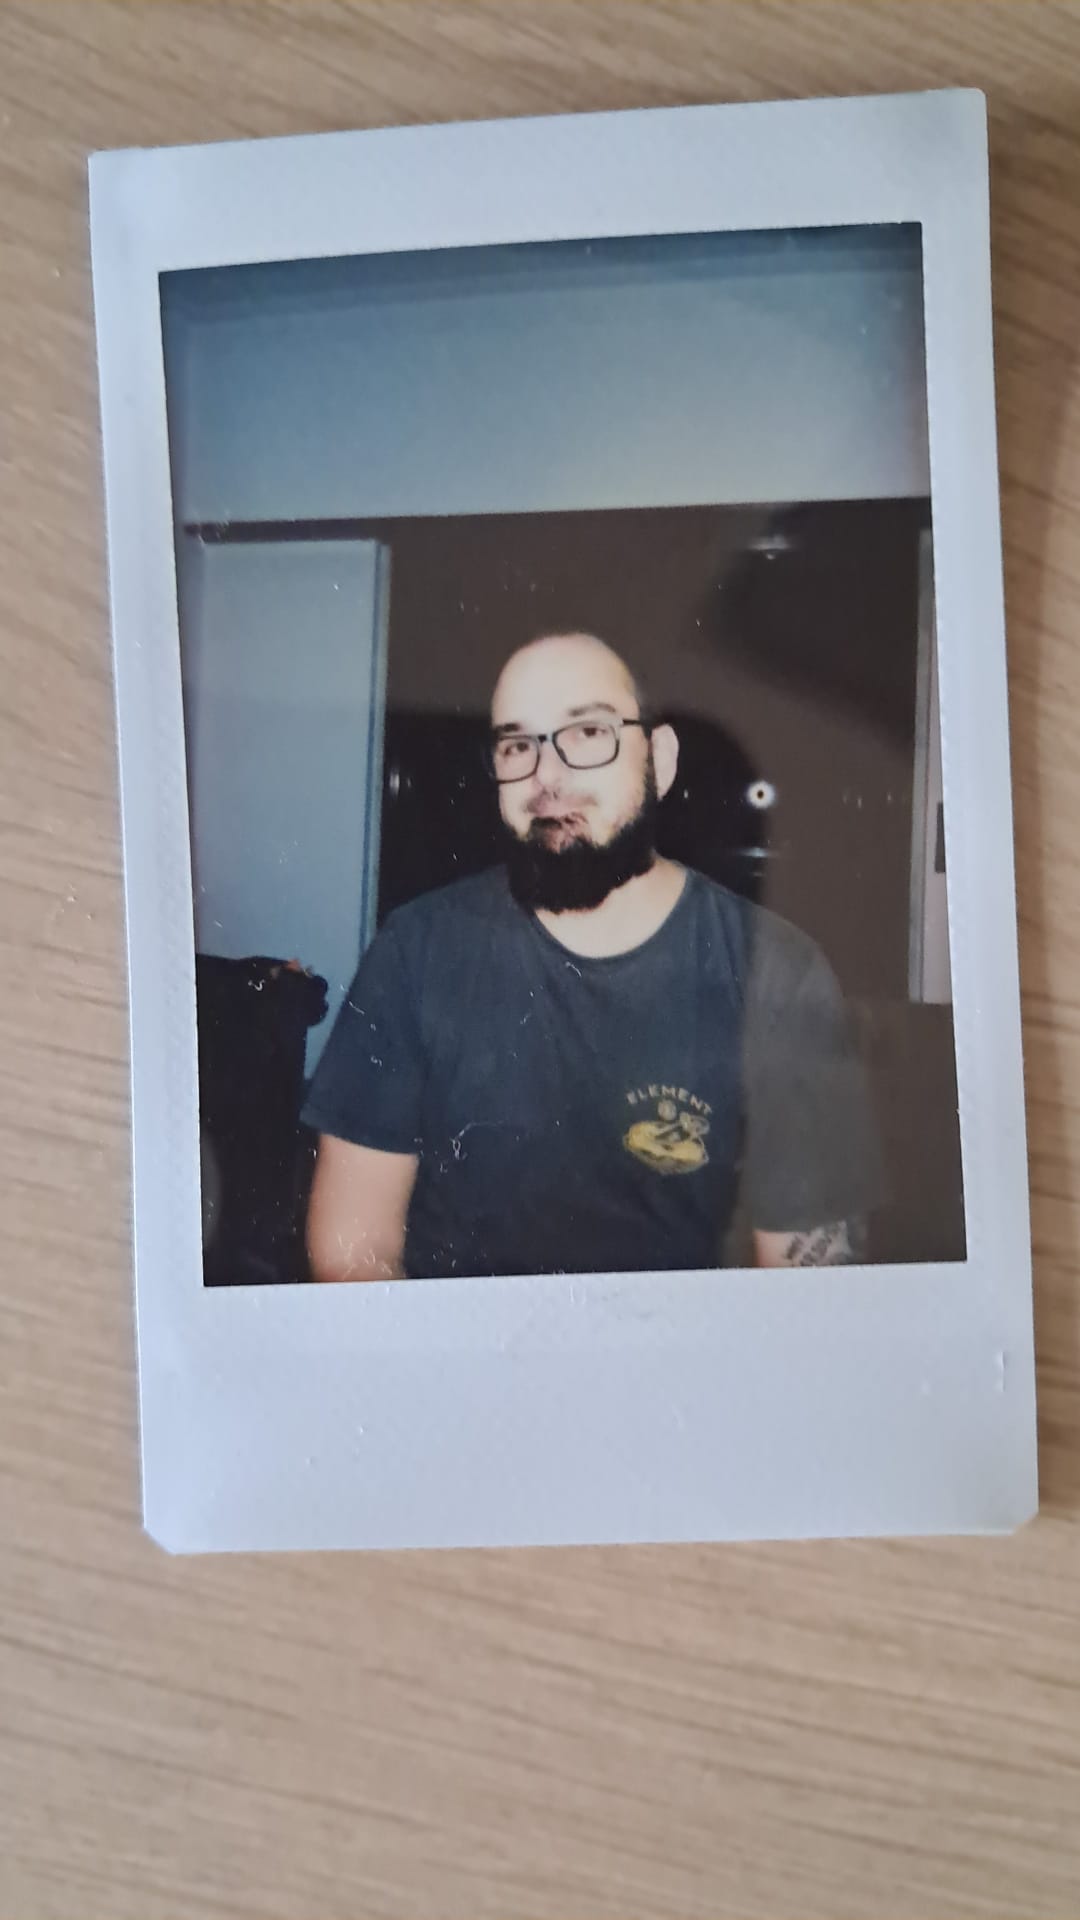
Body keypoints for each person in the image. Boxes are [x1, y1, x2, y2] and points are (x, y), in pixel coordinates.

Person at [303, 632, 879, 1280]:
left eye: (586, 733)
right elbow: (351, 1251)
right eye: (518, 745)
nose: (547, 776)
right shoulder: (415, 952)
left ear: (659, 759)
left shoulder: (778, 972)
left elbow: (812, 1286)